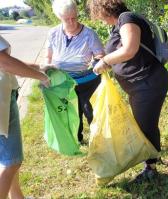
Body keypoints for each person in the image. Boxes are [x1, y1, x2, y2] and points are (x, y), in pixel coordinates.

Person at [88, 0, 168, 183]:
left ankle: (151, 169)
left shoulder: (127, 18)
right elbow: (123, 52)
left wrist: (106, 61)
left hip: (148, 83)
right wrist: (102, 59)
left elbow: (129, 49)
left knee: (144, 126)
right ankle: (154, 156)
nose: (99, 20)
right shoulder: (120, 24)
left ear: (103, 10)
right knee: (146, 122)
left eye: (98, 15)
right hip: (141, 85)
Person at [46, 0, 105, 143]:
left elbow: (100, 55)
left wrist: (96, 62)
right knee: (71, 111)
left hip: (87, 81)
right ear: (60, 18)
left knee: (90, 111)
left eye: (74, 17)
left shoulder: (89, 34)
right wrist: (47, 71)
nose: (72, 22)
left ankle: (98, 139)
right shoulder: (53, 33)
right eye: (67, 19)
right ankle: (76, 138)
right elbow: (48, 56)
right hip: (63, 81)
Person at [0, 35, 50, 199]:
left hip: (6, 97)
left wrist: (39, 67)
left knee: (8, 158)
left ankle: (17, 196)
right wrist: (41, 77)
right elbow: (4, 63)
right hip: (2, 102)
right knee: (12, 161)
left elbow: (7, 62)